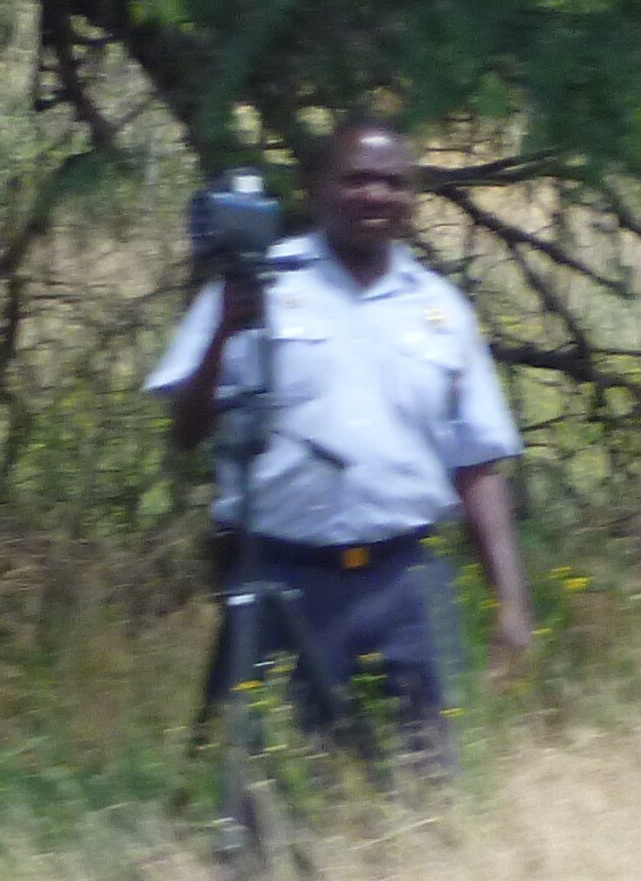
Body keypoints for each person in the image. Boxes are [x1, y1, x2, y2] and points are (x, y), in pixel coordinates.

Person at [146, 118, 535, 775]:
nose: (374, 194)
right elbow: (186, 434)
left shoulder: (440, 309)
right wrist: (225, 334)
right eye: (356, 178)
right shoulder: (261, 285)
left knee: (427, 782)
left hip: (404, 580)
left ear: (412, 198)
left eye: (392, 181)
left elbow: (476, 461)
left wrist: (512, 600)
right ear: (320, 188)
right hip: (281, 574)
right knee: (266, 779)